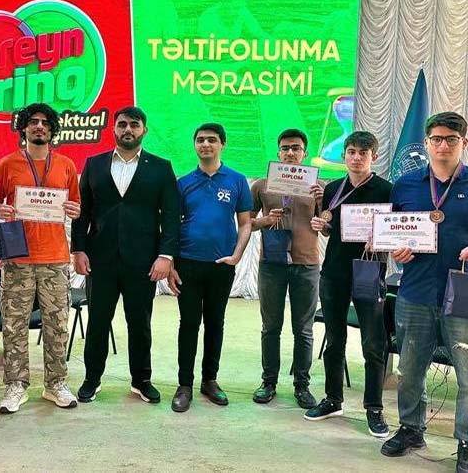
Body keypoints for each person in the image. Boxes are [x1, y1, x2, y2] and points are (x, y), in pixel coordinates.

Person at [380, 112, 468, 473]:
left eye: (451, 139)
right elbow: (391, 230)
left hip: (466, 292)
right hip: (415, 291)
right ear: (426, 143)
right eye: (436, 139)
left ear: (463, 142)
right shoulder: (405, 185)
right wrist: (395, 249)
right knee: (409, 369)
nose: (442, 146)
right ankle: (411, 429)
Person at [72, 106, 180, 404]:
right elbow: (82, 213)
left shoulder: (161, 168)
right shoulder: (94, 164)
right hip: (100, 260)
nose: (128, 129)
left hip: (144, 261)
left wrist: (166, 256)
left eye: (134, 124)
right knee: (97, 322)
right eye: (122, 124)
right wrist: (78, 249)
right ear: (113, 129)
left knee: (140, 323)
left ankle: (141, 380)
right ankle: (92, 379)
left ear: (144, 130)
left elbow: (171, 216)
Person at [0, 103, 81, 413]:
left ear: (52, 129)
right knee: (14, 324)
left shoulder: (66, 165)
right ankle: (16, 385)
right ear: (23, 128)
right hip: (18, 257)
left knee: (57, 324)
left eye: (45, 122)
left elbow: (76, 205)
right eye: (33, 122)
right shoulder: (8, 163)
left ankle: (56, 384)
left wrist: (74, 210)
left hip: (55, 257)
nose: (39, 126)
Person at [304, 131, 392, 437]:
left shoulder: (386, 190)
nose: (356, 158)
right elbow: (331, 230)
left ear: (373, 157)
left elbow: (394, 230)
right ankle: (333, 399)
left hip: (369, 271)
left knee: (373, 343)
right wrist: (322, 225)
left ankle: (374, 407)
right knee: (334, 338)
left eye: (363, 153)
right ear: (344, 156)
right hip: (334, 272)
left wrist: (380, 238)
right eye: (351, 152)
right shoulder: (333, 189)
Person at [168, 123, 252, 412]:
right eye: (201, 140)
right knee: (189, 324)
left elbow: (245, 224)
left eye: (212, 140)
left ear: (222, 144)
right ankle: (184, 385)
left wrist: (236, 256)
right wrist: (172, 264)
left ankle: (210, 380)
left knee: (215, 323)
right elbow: (171, 226)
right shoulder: (183, 183)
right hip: (187, 265)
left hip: (221, 266)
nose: (206, 144)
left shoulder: (237, 181)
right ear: (195, 145)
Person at [251, 129, 324, 409]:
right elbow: (247, 223)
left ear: (305, 153)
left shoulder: (318, 187)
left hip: (306, 264)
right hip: (272, 264)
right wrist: (266, 220)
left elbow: (328, 227)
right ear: (278, 152)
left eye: (296, 148)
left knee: (303, 330)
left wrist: (323, 216)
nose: (290, 153)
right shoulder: (262, 185)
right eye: (285, 148)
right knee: (270, 327)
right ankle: (268, 382)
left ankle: (302, 386)